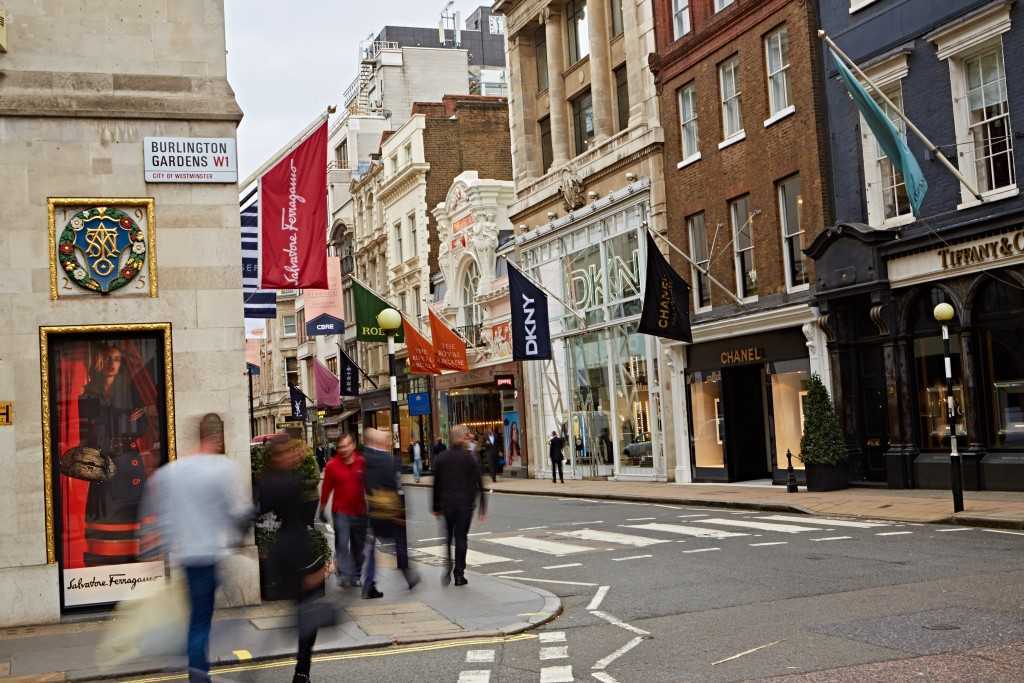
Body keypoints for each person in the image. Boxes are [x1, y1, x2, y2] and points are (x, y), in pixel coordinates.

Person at [145, 414, 251, 683]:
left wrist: (160, 552)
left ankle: (194, 661)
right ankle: (199, 675)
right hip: (211, 555)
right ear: (217, 438)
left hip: (186, 556)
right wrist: (239, 534)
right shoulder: (224, 468)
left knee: (197, 617)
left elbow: (161, 515)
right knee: (203, 621)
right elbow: (239, 512)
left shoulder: (173, 471)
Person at [258, 435, 329, 683]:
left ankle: (300, 669)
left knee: (302, 612)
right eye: (290, 452)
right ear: (280, 456)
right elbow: (303, 518)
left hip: (286, 552)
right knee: (308, 612)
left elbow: (257, 512)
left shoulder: (269, 481)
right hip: (296, 553)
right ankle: (301, 671)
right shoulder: (289, 482)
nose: (295, 455)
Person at [361, 428, 420, 599]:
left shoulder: (364, 460)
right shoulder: (391, 461)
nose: (389, 442)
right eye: (387, 440)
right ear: (379, 442)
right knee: (399, 544)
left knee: (371, 548)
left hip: (373, 509)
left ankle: (368, 584)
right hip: (390, 509)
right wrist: (401, 512)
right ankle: (408, 574)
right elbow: (397, 487)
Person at [432, 424, 487, 587]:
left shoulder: (441, 457)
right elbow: (479, 483)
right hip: (465, 505)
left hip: (447, 504)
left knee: (448, 537)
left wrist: (435, 507)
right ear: (462, 438)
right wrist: (483, 506)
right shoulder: (470, 458)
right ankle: (459, 574)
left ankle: (447, 567)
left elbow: (436, 484)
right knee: (461, 538)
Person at [318, 433, 366, 589]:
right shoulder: (332, 465)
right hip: (341, 512)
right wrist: (322, 508)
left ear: (353, 445)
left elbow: (370, 486)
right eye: (340, 447)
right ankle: (345, 574)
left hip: (360, 511)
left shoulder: (362, 463)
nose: (344, 449)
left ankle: (356, 574)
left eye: (346, 446)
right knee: (342, 543)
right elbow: (326, 489)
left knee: (359, 546)